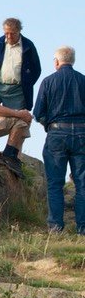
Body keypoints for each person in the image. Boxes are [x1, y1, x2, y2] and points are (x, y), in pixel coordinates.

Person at [34, 46, 85, 235]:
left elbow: (38, 113)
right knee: (82, 183)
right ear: (73, 60)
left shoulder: (48, 82)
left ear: (56, 62)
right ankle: (83, 228)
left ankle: (56, 228)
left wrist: (50, 126)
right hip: (82, 134)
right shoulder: (83, 81)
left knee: (55, 183)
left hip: (57, 134)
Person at [0, 18, 41, 111]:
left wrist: (26, 83)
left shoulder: (28, 46)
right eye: (6, 33)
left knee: (14, 120)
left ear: (19, 31)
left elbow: (36, 69)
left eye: (12, 33)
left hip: (17, 91)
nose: (9, 36)